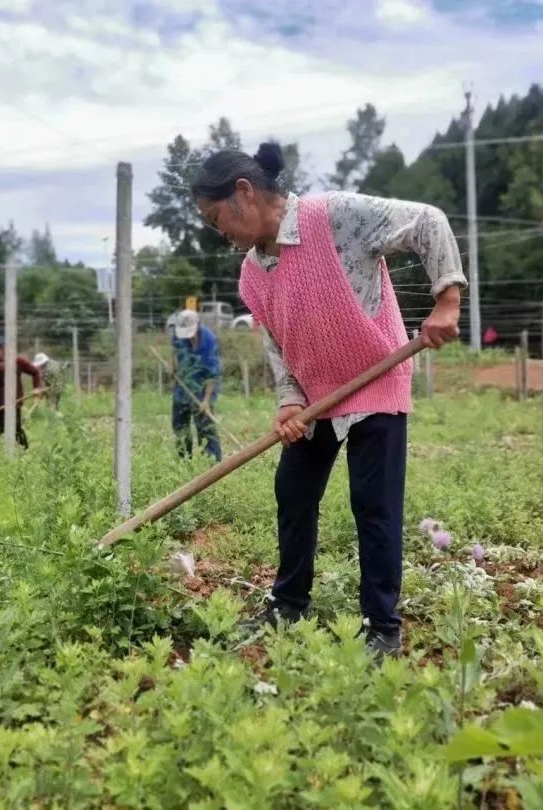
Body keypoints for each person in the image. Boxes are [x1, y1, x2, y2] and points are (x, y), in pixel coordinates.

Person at [192, 142, 465, 661]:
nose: (217, 231)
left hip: (376, 382)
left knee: (374, 507)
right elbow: (277, 342)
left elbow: (427, 221)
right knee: (292, 492)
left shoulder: (331, 216)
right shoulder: (252, 274)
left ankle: (380, 625)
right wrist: (289, 401)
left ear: (244, 193)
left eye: (215, 217)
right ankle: (288, 603)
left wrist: (446, 298)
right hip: (317, 396)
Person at [171, 309, 222, 462]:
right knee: (180, 425)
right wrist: (173, 367)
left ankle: (211, 464)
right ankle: (184, 460)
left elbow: (212, 374)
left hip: (203, 388)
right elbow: (174, 352)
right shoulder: (177, 335)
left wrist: (206, 401)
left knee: (205, 428)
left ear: (198, 325)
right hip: (182, 387)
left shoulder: (209, 341)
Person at [0, 336, 42, 448]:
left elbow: (35, 372)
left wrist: (36, 388)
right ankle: (6, 453)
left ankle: (24, 452)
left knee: (16, 428)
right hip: (0, 405)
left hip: (15, 403)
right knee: (3, 429)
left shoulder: (17, 361)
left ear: (4, 348)